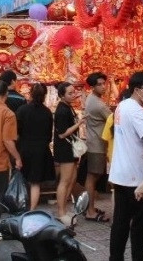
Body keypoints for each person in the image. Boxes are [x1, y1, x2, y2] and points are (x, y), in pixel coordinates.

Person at [109, 71, 143, 261]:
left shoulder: (122, 105)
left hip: (121, 174)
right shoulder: (137, 110)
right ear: (137, 90)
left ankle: (116, 257)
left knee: (120, 223)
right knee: (140, 226)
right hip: (138, 178)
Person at [16, 83, 55, 210]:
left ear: (30, 94)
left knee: (24, 179)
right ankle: (32, 209)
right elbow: (49, 135)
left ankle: (21, 206)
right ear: (44, 95)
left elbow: (17, 131)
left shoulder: (22, 110)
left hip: (25, 148)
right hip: (41, 150)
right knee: (35, 182)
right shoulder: (47, 112)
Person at [53, 81, 85, 226]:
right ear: (61, 95)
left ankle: (64, 209)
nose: (73, 95)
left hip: (70, 148)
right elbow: (62, 134)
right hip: (64, 148)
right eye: (70, 93)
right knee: (65, 181)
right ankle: (61, 212)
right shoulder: (61, 110)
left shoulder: (68, 107)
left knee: (72, 178)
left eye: (74, 92)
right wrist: (79, 124)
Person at [83, 71, 112, 223]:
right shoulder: (98, 104)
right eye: (99, 84)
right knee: (93, 176)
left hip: (94, 143)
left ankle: (90, 208)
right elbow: (113, 119)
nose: (103, 87)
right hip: (97, 144)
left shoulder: (92, 99)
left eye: (103, 83)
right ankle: (90, 211)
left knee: (92, 176)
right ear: (93, 87)